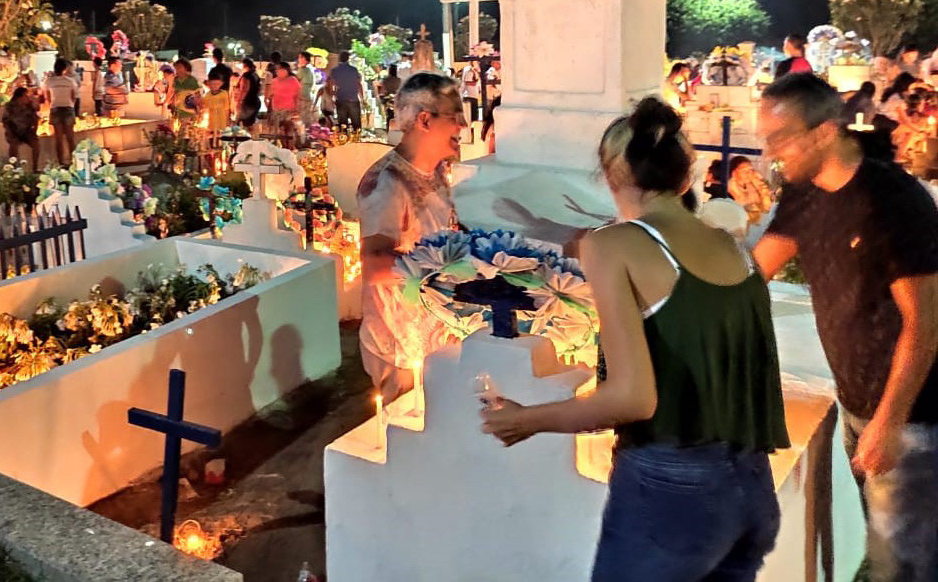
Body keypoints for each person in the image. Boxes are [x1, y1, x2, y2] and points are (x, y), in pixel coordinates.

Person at [482, 97, 788, 581]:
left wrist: (527, 420)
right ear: (686, 178)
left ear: (610, 178)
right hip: (749, 486)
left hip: (672, 494)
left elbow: (633, 398)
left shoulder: (611, 245)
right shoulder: (730, 246)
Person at [754, 72, 938, 582]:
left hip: (912, 416)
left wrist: (890, 421)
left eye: (779, 139)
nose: (771, 154)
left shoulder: (893, 203)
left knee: (905, 564)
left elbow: (924, 324)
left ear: (824, 132)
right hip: (858, 403)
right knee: (885, 546)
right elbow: (753, 273)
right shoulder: (804, 195)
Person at [357, 72, 465, 402]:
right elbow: (375, 267)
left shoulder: (436, 170)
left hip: (438, 333)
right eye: (454, 116)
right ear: (424, 120)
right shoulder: (388, 183)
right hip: (401, 346)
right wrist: (446, 266)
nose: (461, 126)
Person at [43, 58, 79, 166]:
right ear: (65, 69)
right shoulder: (70, 81)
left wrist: (52, 105)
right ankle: (73, 162)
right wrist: (71, 105)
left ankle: (61, 162)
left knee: (58, 138)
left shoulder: (49, 81)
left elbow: (47, 97)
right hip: (68, 108)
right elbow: (74, 96)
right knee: (70, 138)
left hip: (55, 109)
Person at [0, 86, 41, 170]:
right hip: (13, 130)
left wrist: (34, 130)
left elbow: (35, 118)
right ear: (19, 97)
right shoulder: (10, 106)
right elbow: (6, 120)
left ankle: (35, 167)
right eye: (26, 96)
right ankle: (13, 166)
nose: (27, 98)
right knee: (13, 144)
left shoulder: (29, 106)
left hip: (26, 131)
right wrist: (10, 132)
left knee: (36, 144)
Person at [727, 155, 774, 226]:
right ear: (734, 173)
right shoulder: (730, 187)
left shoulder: (751, 184)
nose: (749, 174)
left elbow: (766, 206)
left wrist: (761, 185)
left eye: (751, 170)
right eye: (745, 171)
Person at [268, 61, 304, 145]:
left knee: (289, 130)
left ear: (286, 70)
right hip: (276, 110)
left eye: (279, 69)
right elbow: (271, 95)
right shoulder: (274, 81)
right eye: (276, 70)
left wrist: (297, 110)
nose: (277, 71)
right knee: (279, 132)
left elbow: (298, 96)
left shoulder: (292, 80)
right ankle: (283, 147)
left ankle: (290, 147)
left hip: (289, 110)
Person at [330, 50, 364, 130]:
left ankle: (344, 141)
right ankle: (357, 141)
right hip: (353, 98)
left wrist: (333, 96)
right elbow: (358, 84)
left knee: (343, 126)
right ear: (348, 58)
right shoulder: (354, 70)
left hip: (341, 98)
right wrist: (362, 98)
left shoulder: (335, 71)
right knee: (356, 126)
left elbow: (331, 84)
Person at [171, 58, 202, 128]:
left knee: (189, 129)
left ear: (186, 68)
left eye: (180, 67)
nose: (178, 70)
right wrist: (173, 104)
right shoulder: (175, 80)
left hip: (189, 110)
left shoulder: (191, 80)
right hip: (179, 110)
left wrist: (199, 108)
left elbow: (197, 95)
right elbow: (175, 93)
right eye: (176, 68)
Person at [235, 58, 262, 128]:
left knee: (240, 123)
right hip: (256, 102)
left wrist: (239, 101)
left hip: (248, 103)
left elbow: (244, 89)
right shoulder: (255, 75)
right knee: (250, 124)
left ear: (245, 65)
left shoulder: (246, 76)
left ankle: (243, 138)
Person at [296, 51, 317, 125]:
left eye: (301, 57)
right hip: (308, 95)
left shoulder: (303, 69)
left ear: (306, 59)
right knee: (307, 118)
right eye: (299, 57)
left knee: (302, 119)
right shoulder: (310, 68)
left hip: (303, 96)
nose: (299, 59)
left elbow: (296, 81)